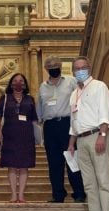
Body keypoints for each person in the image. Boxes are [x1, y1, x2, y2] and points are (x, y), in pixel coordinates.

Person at [67, 56, 109, 211]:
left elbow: (105, 113)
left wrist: (102, 135)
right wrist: (72, 143)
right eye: (76, 68)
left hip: (97, 136)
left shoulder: (99, 87)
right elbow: (74, 120)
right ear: (73, 72)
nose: (80, 71)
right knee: (89, 184)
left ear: (89, 68)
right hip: (81, 139)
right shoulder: (74, 94)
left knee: (103, 180)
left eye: (83, 67)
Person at [37, 56, 86, 203]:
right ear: (46, 69)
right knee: (54, 162)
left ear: (60, 66)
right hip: (50, 126)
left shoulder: (71, 81)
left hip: (67, 124)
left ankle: (79, 192)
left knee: (72, 159)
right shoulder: (42, 87)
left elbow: (80, 99)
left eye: (55, 65)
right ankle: (58, 194)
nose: (53, 68)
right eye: (50, 66)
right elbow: (39, 107)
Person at [0, 73, 37, 203]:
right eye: (15, 80)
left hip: (26, 134)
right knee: (11, 165)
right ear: (11, 83)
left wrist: (37, 136)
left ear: (25, 84)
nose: (18, 83)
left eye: (21, 81)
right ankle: (13, 194)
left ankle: (21, 195)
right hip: (9, 134)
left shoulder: (30, 99)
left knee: (25, 165)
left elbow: (34, 118)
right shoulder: (5, 98)